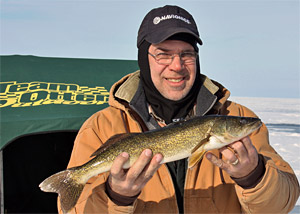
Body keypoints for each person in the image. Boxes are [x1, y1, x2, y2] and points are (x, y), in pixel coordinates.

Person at [58, 5, 299, 213]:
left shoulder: (239, 117)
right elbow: (74, 210)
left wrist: (253, 176)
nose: (177, 66)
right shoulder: (102, 126)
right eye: (163, 55)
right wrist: (116, 196)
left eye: (187, 54)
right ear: (144, 58)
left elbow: (283, 205)